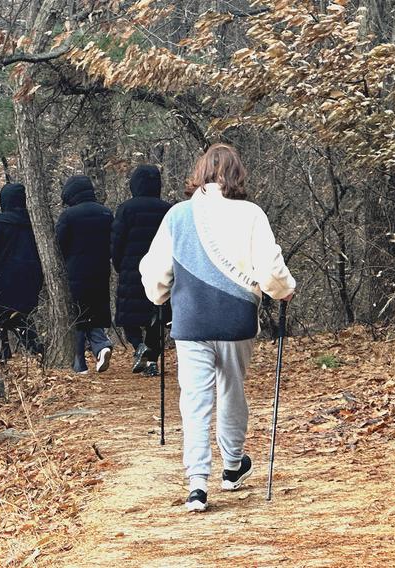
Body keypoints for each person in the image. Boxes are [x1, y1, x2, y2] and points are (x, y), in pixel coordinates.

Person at [140, 144, 296, 512]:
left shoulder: (178, 215)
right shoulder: (251, 214)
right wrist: (284, 291)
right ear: (237, 174)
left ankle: (197, 484)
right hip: (236, 319)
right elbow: (271, 270)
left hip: (191, 320)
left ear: (200, 174)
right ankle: (231, 466)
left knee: (195, 401)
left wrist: (159, 297)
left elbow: (156, 271)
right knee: (232, 391)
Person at [111, 165, 172, 377]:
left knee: (130, 317)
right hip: (162, 269)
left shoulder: (126, 209)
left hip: (132, 269)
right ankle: (152, 360)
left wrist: (119, 264)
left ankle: (138, 346)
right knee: (157, 315)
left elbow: (117, 241)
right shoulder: (167, 209)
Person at [0, 183, 44, 360]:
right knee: (22, 319)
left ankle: (1, 359)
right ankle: (37, 353)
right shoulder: (36, 225)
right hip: (28, 283)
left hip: (0, 285)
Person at [56, 175, 114, 374]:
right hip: (100, 271)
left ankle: (79, 363)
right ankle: (101, 346)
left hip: (75, 272)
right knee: (95, 313)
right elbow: (113, 242)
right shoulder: (106, 213)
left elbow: (58, 245)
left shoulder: (68, 216)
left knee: (78, 317)